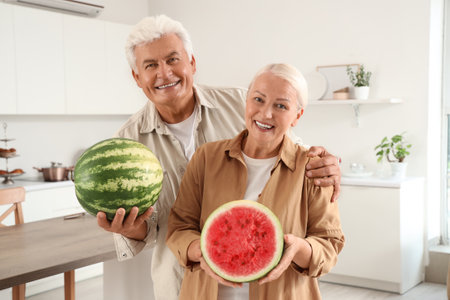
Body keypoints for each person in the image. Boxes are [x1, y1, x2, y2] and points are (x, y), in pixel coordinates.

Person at [96, 15, 342, 300]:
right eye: (150, 65)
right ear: (137, 77)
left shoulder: (243, 103)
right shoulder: (127, 145)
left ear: (192, 63)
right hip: (182, 283)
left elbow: (291, 148)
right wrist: (132, 229)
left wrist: (329, 164)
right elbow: (169, 227)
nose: (164, 73)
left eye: (173, 59)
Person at [166, 63, 345, 300]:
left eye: (281, 106)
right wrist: (203, 250)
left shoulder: (313, 167)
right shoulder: (206, 158)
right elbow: (179, 227)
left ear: (297, 116)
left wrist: (301, 249)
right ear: (247, 101)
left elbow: (329, 245)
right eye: (258, 99)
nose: (265, 113)